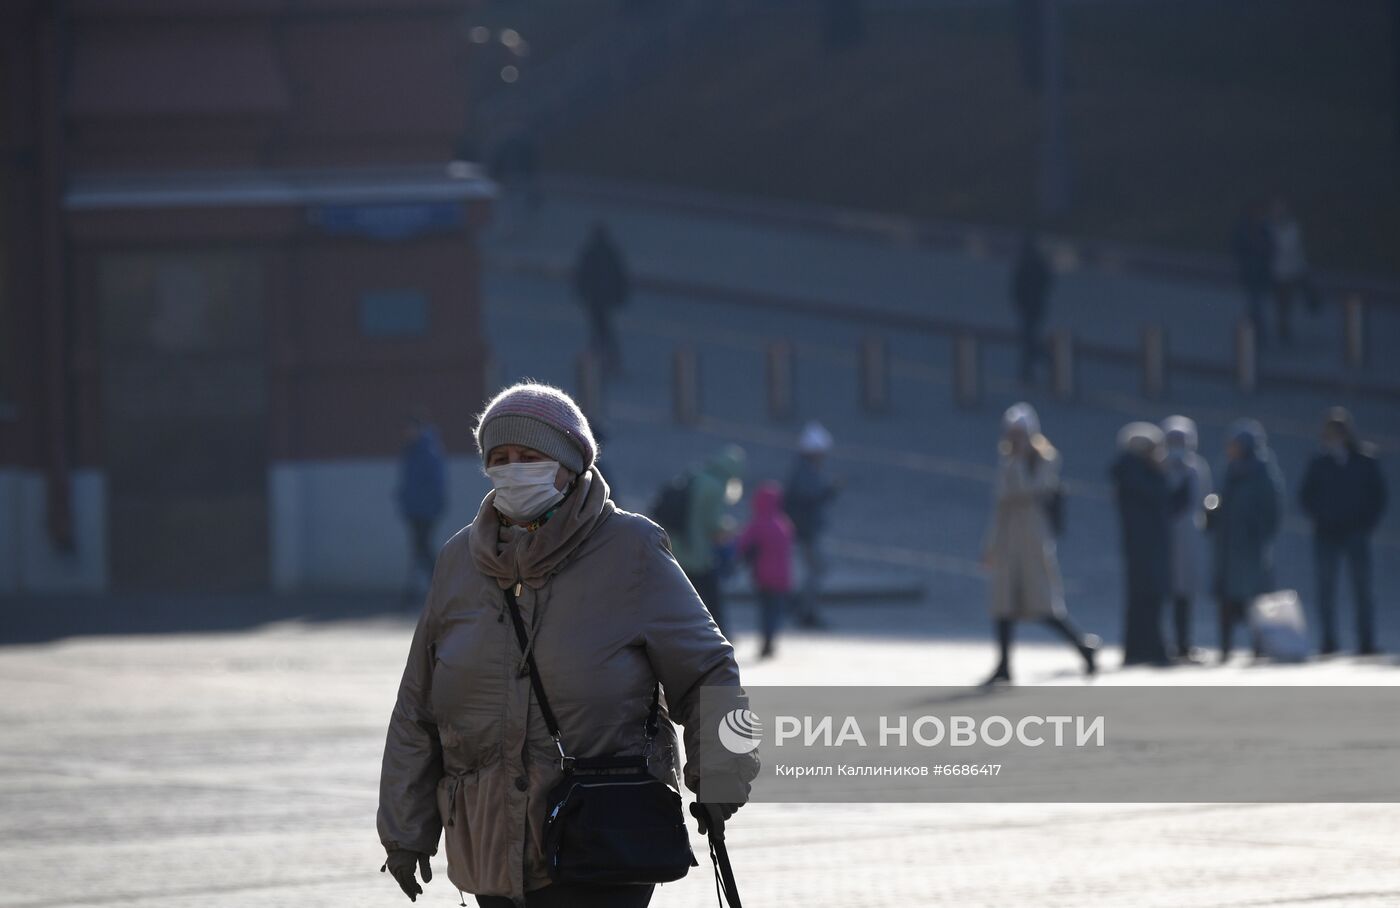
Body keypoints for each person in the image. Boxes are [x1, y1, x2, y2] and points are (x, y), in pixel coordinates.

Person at [377, 383, 756, 907]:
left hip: (602, 843)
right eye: (500, 458)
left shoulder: (630, 549)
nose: (513, 469)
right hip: (489, 848)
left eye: (529, 456)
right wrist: (405, 830)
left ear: (570, 464)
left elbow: (708, 669)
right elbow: (416, 709)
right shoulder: (458, 562)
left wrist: (721, 774)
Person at [981, 403, 1098, 684]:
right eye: (1011, 433)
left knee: (1043, 604)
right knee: (1003, 605)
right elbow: (1001, 506)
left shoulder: (1043, 460)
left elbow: (1028, 490)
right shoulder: (1008, 461)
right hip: (1010, 540)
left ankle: (1083, 645)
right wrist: (990, 546)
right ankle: (1004, 665)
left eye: (1018, 433)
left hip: (1033, 540)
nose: (1014, 439)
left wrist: (1019, 462)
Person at [1298, 407, 1388, 655]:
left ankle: (1366, 641)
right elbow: (1305, 496)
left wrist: (1366, 523)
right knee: (1326, 590)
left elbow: (1378, 496)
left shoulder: (1365, 461)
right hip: (1327, 534)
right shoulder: (1319, 462)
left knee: (1362, 590)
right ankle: (1329, 640)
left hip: (1356, 532)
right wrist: (1322, 516)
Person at [1209, 419, 1285, 660]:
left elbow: (1272, 510)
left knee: (1255, 599)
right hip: (1228, 546)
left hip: (1252, 547)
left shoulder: (1262, 472)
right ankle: (1225, 647)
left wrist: (1259, 532)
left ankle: (1259, 645)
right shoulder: (1230, 470)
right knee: (1227, 599)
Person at [1109, 423, 1177, 666]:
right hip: (1144, 545)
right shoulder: (1135, 472)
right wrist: (1160, 473)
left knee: (1143, 598)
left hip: (1143, 544)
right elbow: (1157, 496)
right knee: (1149, 597)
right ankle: (1151, 649)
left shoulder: (1132, 471)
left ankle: (1140, 649)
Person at [671, 446, 745, 637]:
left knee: (682, 598)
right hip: (697, 554)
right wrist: (729, 528)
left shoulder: (700, 476)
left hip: (680, 548)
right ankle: (720, 638)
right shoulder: (716, 486)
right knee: (711, 599)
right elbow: (712, 525)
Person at [1160, 416, 1212, 660]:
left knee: (1185, 593)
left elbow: (1203, 499)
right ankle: (1162, 641)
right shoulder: (1160, 467)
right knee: (1163, 592)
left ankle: (1184, 641)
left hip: (1188, 537)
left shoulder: (1196, 467)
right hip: (1165, 537)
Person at [784, 421, 840, 628]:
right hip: (806, 530)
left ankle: (803, 607)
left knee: (814, 570)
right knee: (816, 570)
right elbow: (805, 496)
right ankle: (805, 609)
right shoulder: (805, 471)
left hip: (805, 529)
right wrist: (827, 491)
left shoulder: (804, 469)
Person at [734, 481, 796, 658]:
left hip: (763, 575)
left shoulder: (758, 523)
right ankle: (771, 641)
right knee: (775, 611)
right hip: (781, 576)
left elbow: (743, 545)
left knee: (765, 610)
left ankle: (765, 642)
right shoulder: (784, 523)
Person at [396, 416, 447, 604]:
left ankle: (436, 589)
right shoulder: (411, 451)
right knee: (419, 550)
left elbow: (436, 484)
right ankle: (424, 591)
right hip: (414, 510)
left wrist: (432, 507)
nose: (407, 433)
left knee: (422, 549)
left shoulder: (428, 451)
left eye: (410, 429)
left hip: (426, 511)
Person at [572, 223, 630, 377]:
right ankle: (606, 361)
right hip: (605, 300)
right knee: (603, 331)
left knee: (599, 331)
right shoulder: (610, 252)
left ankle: (598, 362)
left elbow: (581, 276)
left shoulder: (590, 252)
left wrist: (581, 294)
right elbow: (619, 276)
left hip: (594, 299)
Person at [1267, 199, 1315, 345]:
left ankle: (1284, 329)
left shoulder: (1291, 228)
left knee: (1286, 303)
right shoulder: (1271, 227)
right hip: (1278, 273)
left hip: (1290, 272)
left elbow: (1290, 248)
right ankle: (1283, 329)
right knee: (1281, 303)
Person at [1011, 231, 1053, 383]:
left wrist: (1019, 301)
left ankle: (1050, 362)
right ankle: (1031, 370)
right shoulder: (1038, 263)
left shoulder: (1025, 264)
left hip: (1029, 307)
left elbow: (1017, 286)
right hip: (1035, 306)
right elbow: (1047, 280)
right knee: (1029, 339)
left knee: (1029, 339)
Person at [1231, 200, 1274, 344]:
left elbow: (1270, 247)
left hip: (1259, 272)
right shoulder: (1244, 229)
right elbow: (1237, 247)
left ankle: (1252, 331)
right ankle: (1252, 332)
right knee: (1254, 303)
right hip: (1250, 272)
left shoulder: (1263, 228)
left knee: (1256, 304)